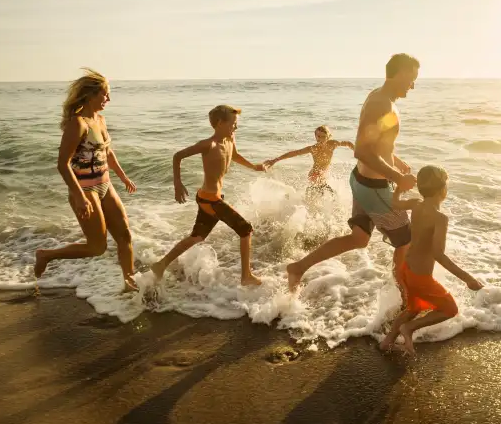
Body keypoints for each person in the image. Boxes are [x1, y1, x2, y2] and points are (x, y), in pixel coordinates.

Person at [286, 53, 420, 293]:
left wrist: (396, 162)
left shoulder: (379, 97)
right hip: (373, 187)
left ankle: (298, 267)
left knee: (359, 239)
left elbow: (377, 144)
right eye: (412, 78)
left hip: (362, 181)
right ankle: (405, 296)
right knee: (407, 240)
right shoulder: (382, 103)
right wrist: (398, 177)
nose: (413, 85)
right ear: (400, 73)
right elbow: (361, 150)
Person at [34, 68, 138, 292]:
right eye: (105, 94)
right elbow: (63, 164)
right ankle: (46, 255)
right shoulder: (77, 124)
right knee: (97, 247)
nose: (108, 99)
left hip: (105, 185)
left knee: (125, 236)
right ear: (91, 95)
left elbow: (107, 153)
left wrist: (123, 177)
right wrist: (80, 197)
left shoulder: (100, 120)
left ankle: (130, 285)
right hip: (85, 189)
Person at [151, 105, 265, 286]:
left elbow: (234, 156)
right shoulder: (208, 144)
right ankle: (246, 277)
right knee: (246, 230)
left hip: (209, 197)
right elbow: (177, 156)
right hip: (210, 199)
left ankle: (160, 265)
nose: (236, 127)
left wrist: (254, 166)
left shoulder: (230, 139)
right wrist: (177, 184)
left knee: (197, 237)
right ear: (220, 123)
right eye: (233, 124)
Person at [380, 166, 483, 355]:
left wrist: (399, 187)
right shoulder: (440, 218)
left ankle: (387, 341)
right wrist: (467, 278)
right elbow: (438, 254)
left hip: (407, 268)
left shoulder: (416, 204)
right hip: (421, 277)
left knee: (413, 308)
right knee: (450, 309)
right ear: (442, 190)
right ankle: (409, 328)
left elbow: (395, 203)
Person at [264, 125, 354, 197]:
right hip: (314, 175)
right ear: (315, 136)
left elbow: (348, 143)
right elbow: (294, 153)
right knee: (327, 193)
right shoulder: (313, 149)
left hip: (323, 174)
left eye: (323, 137)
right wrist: (274, 160)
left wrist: (357, 152)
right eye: (318, 136)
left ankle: (308, 201)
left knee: (321, 194)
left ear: (328, 137)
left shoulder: (333, 144)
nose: (319, 139)